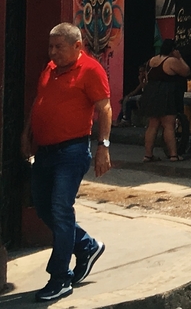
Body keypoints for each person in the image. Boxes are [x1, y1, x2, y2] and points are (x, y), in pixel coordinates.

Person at [21, 23, 112, 301]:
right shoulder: (50, 69)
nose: (53, 52)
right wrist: (27, 134)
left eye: (58, 46)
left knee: (61, 209)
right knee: (43, 207)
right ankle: (86, 246)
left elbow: (104, 108)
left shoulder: (91, 70)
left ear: (77, 46)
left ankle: (60, 277)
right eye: (51, 46)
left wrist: (103, 146)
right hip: (45, 151)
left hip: (71, 151)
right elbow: (40, 101)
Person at [140, 40, 190, 162]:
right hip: (165, 94)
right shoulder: (171, 61)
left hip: (152, 93)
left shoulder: (152, 60)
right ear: (173, 50)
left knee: (152, 125)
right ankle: (173, 155)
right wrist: (180, 58)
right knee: (169, 125)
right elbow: (186, 71)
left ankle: (148, 155)